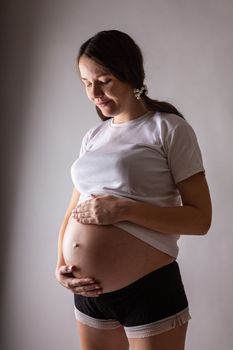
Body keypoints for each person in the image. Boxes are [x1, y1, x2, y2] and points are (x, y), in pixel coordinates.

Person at [55, 30, 212, 350]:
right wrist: (60, 265)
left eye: (104, 79)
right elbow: (72, 210)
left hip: (148, 289)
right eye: (86, 83)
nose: (94, 92)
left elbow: (200, 220)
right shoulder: (93, 137)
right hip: (89, 296)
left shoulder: (169, 128)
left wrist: (124, 210)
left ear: (130, 73)